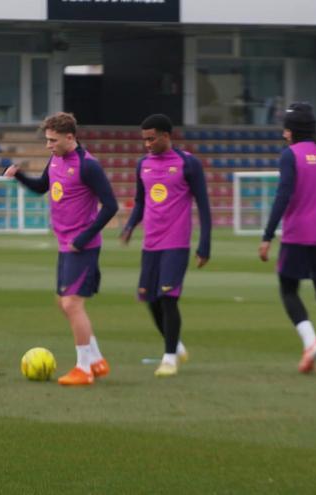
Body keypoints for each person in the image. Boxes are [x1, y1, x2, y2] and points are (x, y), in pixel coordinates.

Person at [4, 112, 118, 386]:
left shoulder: (88, 166)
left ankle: (83, 368)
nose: (48, 145)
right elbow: (42, 187)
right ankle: (96, 360)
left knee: (72, 304)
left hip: (83, 247)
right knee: (63, 302)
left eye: (53, 140)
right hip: (65, 245)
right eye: (47, 140)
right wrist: (19, 176)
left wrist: (84, 237)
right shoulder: (56, 159)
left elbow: (111, 206)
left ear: (70, 137)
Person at [258, 103, 316, 376]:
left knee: (288, 289)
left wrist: (267, 235)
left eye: (286, 129)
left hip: (298, 235)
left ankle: (311, 342)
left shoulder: (291, 155)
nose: (284, 134)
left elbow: (283, 195)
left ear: (292, 130)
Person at [121, 114, 211, 378]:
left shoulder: (188, 164)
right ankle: (176, 345)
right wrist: (130, 226)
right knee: (150, 300)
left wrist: (204, 245)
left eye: (151, 139)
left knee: (168, 299)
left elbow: (204, 206)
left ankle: (169, 358)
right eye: (144, 139)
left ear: (166, 136)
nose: (147, 144)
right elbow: (141, 201)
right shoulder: (143, 164)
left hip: (176, 242)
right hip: (151, 243)